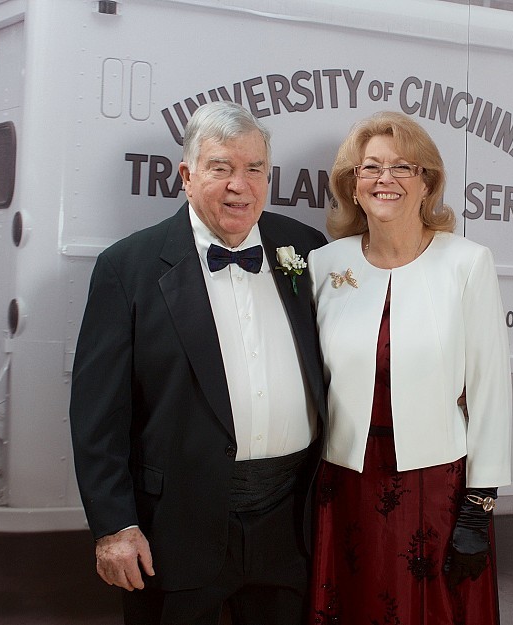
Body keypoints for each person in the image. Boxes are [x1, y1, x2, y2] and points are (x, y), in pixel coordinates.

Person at [69, 101, 327, 625]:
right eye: (221, 168)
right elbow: (98, 416)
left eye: (254, 169)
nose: (240, 184)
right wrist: (114, 525)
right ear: (186, 175)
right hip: (176, 525)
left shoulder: (305, 247)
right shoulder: (127, 268)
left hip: (291, 522)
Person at [306, 111, 512, 624]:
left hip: (436, 489)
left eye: (403, 167)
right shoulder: (325, 266)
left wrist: (479, 506)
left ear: (427, 183)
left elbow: (490, 389)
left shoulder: (467, 263)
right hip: (345, 484)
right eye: (370, 167)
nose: (385, 179)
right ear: (353, 187)